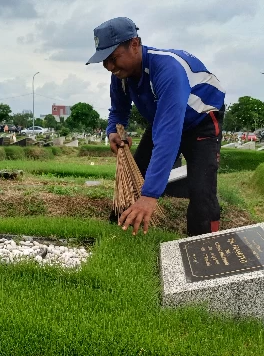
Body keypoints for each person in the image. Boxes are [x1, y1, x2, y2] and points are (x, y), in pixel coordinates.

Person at [86, 17, 225, 237]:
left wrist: (150, 196)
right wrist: (113, 130)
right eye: (104, 61)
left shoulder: (167, 69)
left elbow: (168, 136)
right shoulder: (120, 75)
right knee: (136, 175)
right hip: (163, 120)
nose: (109, 67)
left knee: (201, 188)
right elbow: (119, 111)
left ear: (134, 44)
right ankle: (120, 233)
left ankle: (204, 244)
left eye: (113, 58)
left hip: (201, 122)